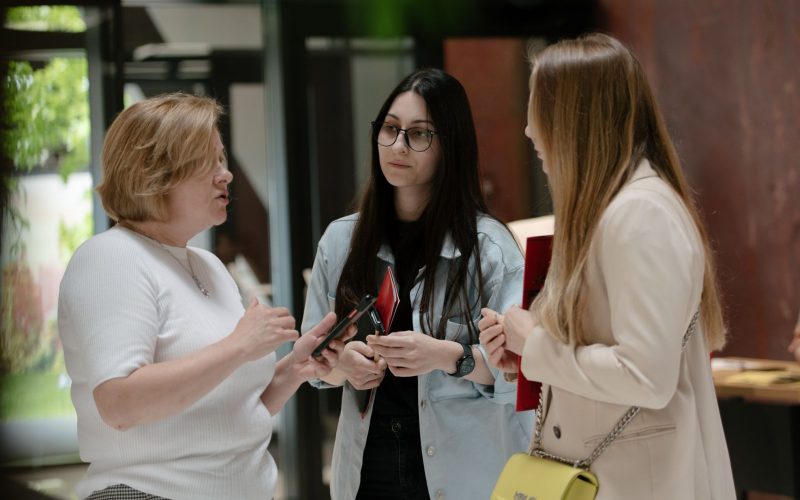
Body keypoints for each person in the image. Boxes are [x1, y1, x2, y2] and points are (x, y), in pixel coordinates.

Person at [479, 33, 736, 499]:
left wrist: (535, 345)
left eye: (538, 109)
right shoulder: (620, 210)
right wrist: (528, 355)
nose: (529, 130)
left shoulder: (640, 214)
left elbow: (645, 376)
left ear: (574, 118)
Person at [58, 93, 350, 500]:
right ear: (156, 172)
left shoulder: (208, 265)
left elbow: (229, 413)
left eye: (222, 159)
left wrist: (297, 368)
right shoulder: (111, 258)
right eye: (208, 161)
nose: (225, 174)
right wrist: (240, 345)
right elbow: (120, 404)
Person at [301, 68, 532, 500]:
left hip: (463, 472)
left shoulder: (490, 248)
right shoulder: (341, 241)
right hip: (369, 469)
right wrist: (343, 365)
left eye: (419, 134)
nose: (398, 146)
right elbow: (312, 362)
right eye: (390, 129)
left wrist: (448, 356)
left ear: (450, 145)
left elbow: (520, 373)